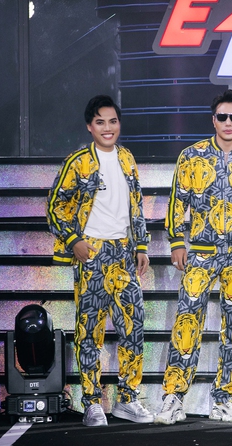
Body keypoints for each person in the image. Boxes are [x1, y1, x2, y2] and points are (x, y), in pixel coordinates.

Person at [154, 89, 232, 425]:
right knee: (187, 322)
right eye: (222, 116)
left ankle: (223, 399)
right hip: (202, 253)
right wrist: (176, 242)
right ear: (213, 120)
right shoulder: (191, 156)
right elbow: (178, 200)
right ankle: (174, 398)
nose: (228, 122)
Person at [47, 95, 153, 426]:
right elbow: (54, 206)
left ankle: (128, 400)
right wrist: (74, 240)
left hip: (124, 254)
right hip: (92, 253)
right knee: (89, 330)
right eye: (100, 122)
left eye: (113, 121)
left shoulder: (127, 158)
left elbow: (136, 203)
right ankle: (92, 402)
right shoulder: (78, 162)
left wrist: (141, 245)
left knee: (133, 327)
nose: (108, 128)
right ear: (89, 127)